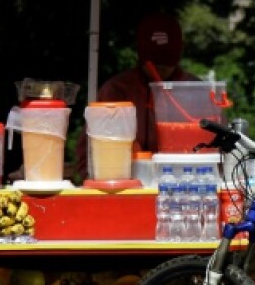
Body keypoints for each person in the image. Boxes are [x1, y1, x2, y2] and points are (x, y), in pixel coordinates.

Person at [73, 12, 201, 182]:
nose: (160, 70)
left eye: (167, 62)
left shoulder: (195, 91)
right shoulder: (116, 90)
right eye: (154, 63)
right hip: (125, 186)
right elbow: (89, 153)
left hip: (183, 186)